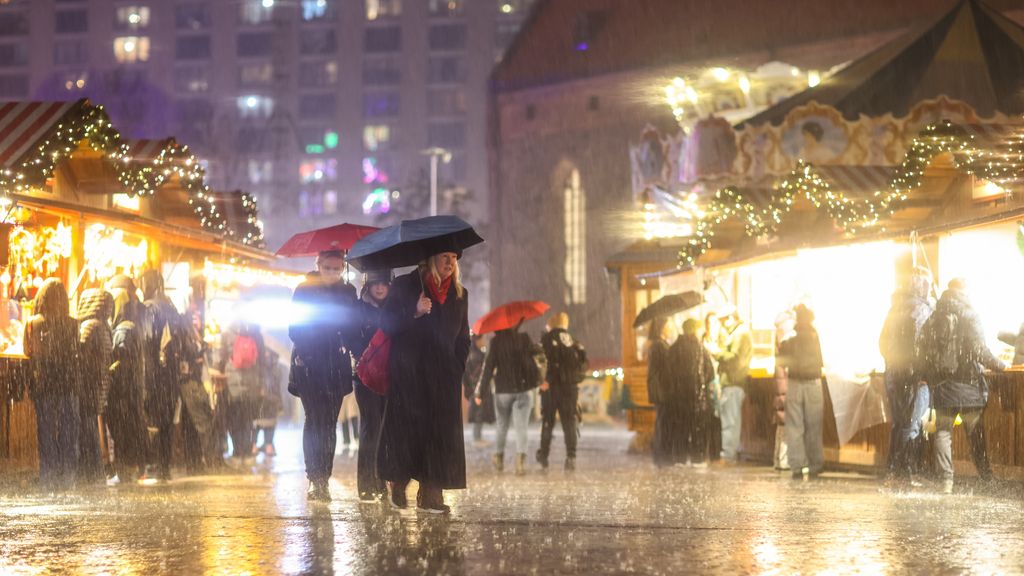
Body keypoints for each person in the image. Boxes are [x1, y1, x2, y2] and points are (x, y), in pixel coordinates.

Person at [378, 249, 471, 514]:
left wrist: (457, 365)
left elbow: (463, 337)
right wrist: (414, 312)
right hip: (410, 375)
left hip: (444, 377)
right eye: (444, 256)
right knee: (408, 433)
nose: (450, 262)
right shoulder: (407, 285)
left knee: (438, 436)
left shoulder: (460, 294)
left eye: (454, 257)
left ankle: (431, 493)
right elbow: (387, 323)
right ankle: (398, 482)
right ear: (431, 258)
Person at [918, 278, 1005, 494]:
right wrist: (1000, 365)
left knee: (943, 433)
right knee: (975, 433)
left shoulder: (933, 317)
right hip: (969, 386)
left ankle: (946, 481)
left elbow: (921, 350)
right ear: (964, 290)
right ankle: (985, 476)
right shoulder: (969, 314)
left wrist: (930, 377)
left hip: (943, 388)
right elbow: (978, 349)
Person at [288, 250, 359, 502]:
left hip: (336, 365)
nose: (332, 273)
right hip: (308, 364)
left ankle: (323, 478)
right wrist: (308, 351)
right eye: (327, 268)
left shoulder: (348, 293)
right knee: (314, 419)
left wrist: (347, 337)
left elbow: (353, 326)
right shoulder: (304, 290)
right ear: (318, 265)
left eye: (337, 268)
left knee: (329, 422)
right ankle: (313, 477)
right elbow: (295, 328)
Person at [24, 278, 81, 491]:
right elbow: (77, 354)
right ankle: (68, 479)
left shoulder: (33, 322)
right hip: (68, 384)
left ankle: (48, 479)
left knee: (46, 433)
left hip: (45, 384)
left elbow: (28, 352)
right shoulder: (73, 323)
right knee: (68, 432)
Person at [878, 270, 933, 485]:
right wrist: (921, 371)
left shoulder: (894, 308)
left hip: (894, 373)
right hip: (915, 377)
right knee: (912, 423)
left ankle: (893, 471)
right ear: (923, 287)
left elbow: (882, 342)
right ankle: (905, 472)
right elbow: (923, 345)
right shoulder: (922, 309)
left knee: (900, 422)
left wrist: (893, 362)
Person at [140, 269, 187, 482]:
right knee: (167, 419)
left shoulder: (150, 307)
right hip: (171, 373)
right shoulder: (171, 307)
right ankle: (165, 466)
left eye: (143, 283)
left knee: (154, 420)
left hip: (155, 373)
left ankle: (155, 464)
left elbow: (148, 340)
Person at [350, 268, 392, 502]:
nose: (380, 287)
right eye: (375, 283)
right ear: (367, 284)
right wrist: (366, 353)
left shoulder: (394, 308)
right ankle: (366, 484)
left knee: (385, 430)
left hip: (388, 375)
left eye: (384, 283)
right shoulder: (358, 308)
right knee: (370, 428)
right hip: (365, 376)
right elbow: (350, 336)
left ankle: (381, 481)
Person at [478, 324, 539, 475]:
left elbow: (488, 368)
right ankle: (520, 463)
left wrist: (480, 392)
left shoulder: (496, 342)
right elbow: (534, 358)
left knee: (502, 426)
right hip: (523, 389)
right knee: (521, 428)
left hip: (503, 390)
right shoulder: (524, 338)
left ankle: (499, 459)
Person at [105, 276, 148, 483]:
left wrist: (108, 373)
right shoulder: (131, 325)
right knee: (131, 428)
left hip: (123, 393)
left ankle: (125, 471)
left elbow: (122, 362)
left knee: (123, 431)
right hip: (131, 392)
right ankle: (132, 468)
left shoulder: (123, 329)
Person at [777, 304, 825, 480]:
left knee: (795, 426)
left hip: (796, 382)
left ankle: (797, 465)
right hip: (813, 382)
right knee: (814, 426)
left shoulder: (791, 337)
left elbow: (780, 360)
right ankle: (815, 464)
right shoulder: (816, 336)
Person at [537, 312, 586, 471]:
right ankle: (571, 456)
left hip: (550, 389)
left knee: (547, 422)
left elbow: (541, 362)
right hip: (570, 389)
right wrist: (574, 379)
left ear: (551, 324)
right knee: (569, 422)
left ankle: (544, 457)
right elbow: (584, 363)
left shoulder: (546, 339)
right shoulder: (574, 341)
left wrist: (544, 380)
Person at [76, 288, 113, 484]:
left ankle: (89, 471)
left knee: (86, 428)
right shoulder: (104, 327)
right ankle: (94, 470)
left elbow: (80, 352)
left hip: (89, 384)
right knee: (91, 426)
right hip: (100, 384)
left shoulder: (89, 326)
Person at [218, 321, 265, 467]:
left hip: (233, 382)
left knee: (234, 418)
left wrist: (220, 372)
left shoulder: (227, 332)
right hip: (252, 382)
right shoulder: (256, 332)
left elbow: (221, 357)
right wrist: (261, 383)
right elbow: (262, 359)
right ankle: (248, 452)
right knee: (248, 419)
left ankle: (237, 453)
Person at [673, 318, 717, 467]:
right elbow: (710, 372)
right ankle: (697, 458)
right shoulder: (699, 348)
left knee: (680, 427)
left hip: (678, 397)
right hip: (697, 396)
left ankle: (680, 457)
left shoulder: (674, 348)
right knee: (697, 427)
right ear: (694, 330)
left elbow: (669, 372)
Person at [716, 310, 752, 463]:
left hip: (733, 382)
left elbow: (735, 359)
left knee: (730, 421)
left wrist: (716, 353)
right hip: (733, 382)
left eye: (724, 320)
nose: (723, 324)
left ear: (731, 317)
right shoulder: (738, 333)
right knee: (731, 420)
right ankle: (729, 454)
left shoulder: (740, 334)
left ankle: (728, 455)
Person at [646, 316, 676, 465]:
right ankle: (662, 456)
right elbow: (665, 371)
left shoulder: (658, 345)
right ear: (662, 327)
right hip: (662, 392)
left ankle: (661, 455)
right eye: (668, 325)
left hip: (660, 391)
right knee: (663, 424)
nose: (670, 328)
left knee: (661, 423)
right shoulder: (659, 346)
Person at [463, 333, 494, 446]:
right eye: (483, 338)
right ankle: (477, 438)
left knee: (478, 412)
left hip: (474, 387)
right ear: (477, 340)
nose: (485, 341)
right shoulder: (478, 356)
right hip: (478, 388)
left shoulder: (471, 353)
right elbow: (480, 373)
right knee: (479, 413)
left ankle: (478, 437)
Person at [253, 347, 283, 458]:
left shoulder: (257, 364)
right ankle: (268, 446)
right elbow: (277, 387)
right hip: (271, 400)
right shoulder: (276, 368)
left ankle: (254, 446)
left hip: (259, 400)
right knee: (269, 424)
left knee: (256, 424)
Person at [702, 312, 722, 462]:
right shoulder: (704, 339)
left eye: (715, 322)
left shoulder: (723, 338)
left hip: (721, 379)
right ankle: (712, 450)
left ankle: (718, 449)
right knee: (710, 415)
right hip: (710, 381)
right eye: (709, 322)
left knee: (721, 415)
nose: (712, 325)